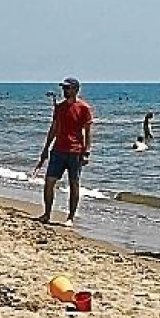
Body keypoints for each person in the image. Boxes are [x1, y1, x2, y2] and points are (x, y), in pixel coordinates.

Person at [35, 77, 94, 227]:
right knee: (49, 182)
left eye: (67, 88)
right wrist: (45, 149)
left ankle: (71, 217)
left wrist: (87, 152)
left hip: (75, 151)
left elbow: (87, 132)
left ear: (75, 89)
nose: (64, 91)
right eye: (64, 88)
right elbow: (54, 128)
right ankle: (47, 214)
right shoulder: (59, 108)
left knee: (74, 184)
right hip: (58, 150)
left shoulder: (84, 108)